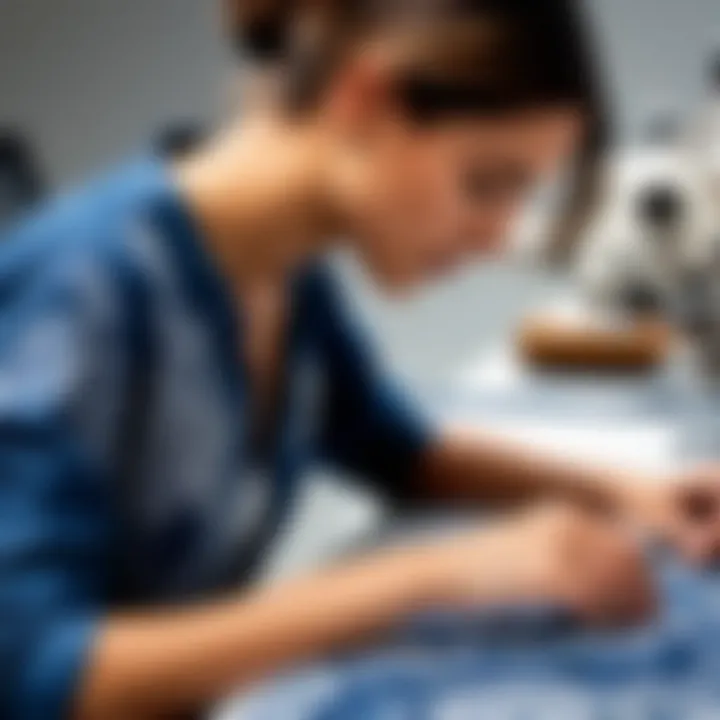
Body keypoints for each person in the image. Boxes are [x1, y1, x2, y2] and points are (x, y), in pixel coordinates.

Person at [1, 2, 720, 719]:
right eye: (485, 183)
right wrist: (440, 575)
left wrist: (631, 494)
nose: (498, 239)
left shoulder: (282, 276)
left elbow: (403, 451)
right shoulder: (83, 289)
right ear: (364, 100)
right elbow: (41, 672)